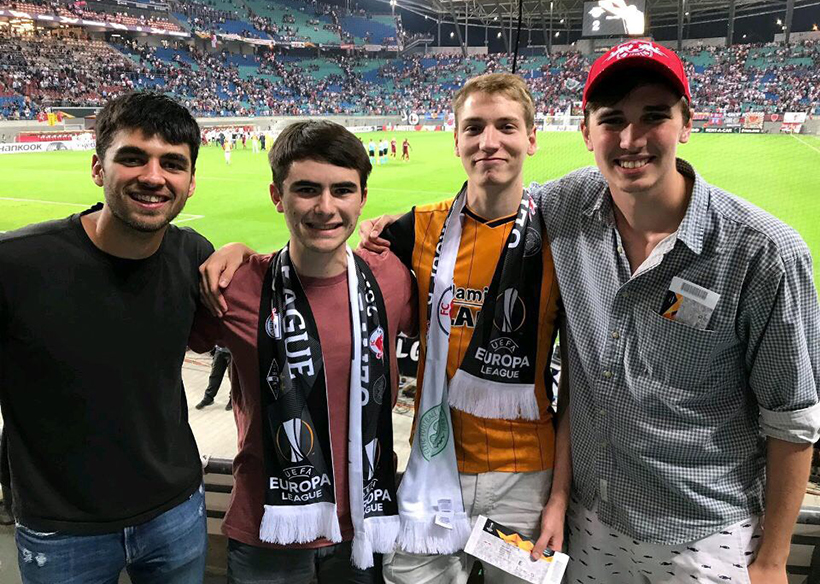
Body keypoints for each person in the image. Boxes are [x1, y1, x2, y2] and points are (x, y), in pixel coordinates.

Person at [535, 39, 820, 584]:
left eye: (654, 117)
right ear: (586, 131)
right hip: (592, 520)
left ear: (687, 123)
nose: (630, 140)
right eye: (612, 119)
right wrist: (389, 232)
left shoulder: (764, 253)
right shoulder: (563, 207)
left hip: (708, 536)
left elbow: (793, 421)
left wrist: (772, 561)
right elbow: (486, 208)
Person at [359, 73, 570, 583]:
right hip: (434, 466)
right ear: (455, 140)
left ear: (532, 138)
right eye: (473, 128)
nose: (489, 141)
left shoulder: (563, 238)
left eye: (506, 126)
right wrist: (242, 256)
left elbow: (581, 383)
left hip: (525, 482)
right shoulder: (418, 228)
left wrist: (560, 498)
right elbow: (326, 259)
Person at [192, 120, 416, 584]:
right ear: (278, 196)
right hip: (265, 530)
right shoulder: (235, 286)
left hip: (364, 527)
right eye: (307, 189)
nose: (326, 208)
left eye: (343, 190)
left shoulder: (391, 277)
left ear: (363, 197)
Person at [0, 92, 211, 583]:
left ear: (191, 182)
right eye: (133, 158)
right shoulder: (17, 264)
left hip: (176, 511)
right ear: (98, 168)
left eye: (172, 164)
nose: (154, 177)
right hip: (62, 529)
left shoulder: (192, 253)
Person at [195, 345, 232, 410]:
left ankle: (233, 400)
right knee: (214, 375)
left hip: (233, 351)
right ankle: (208, 398)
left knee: (233, 378)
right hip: (219, 350)